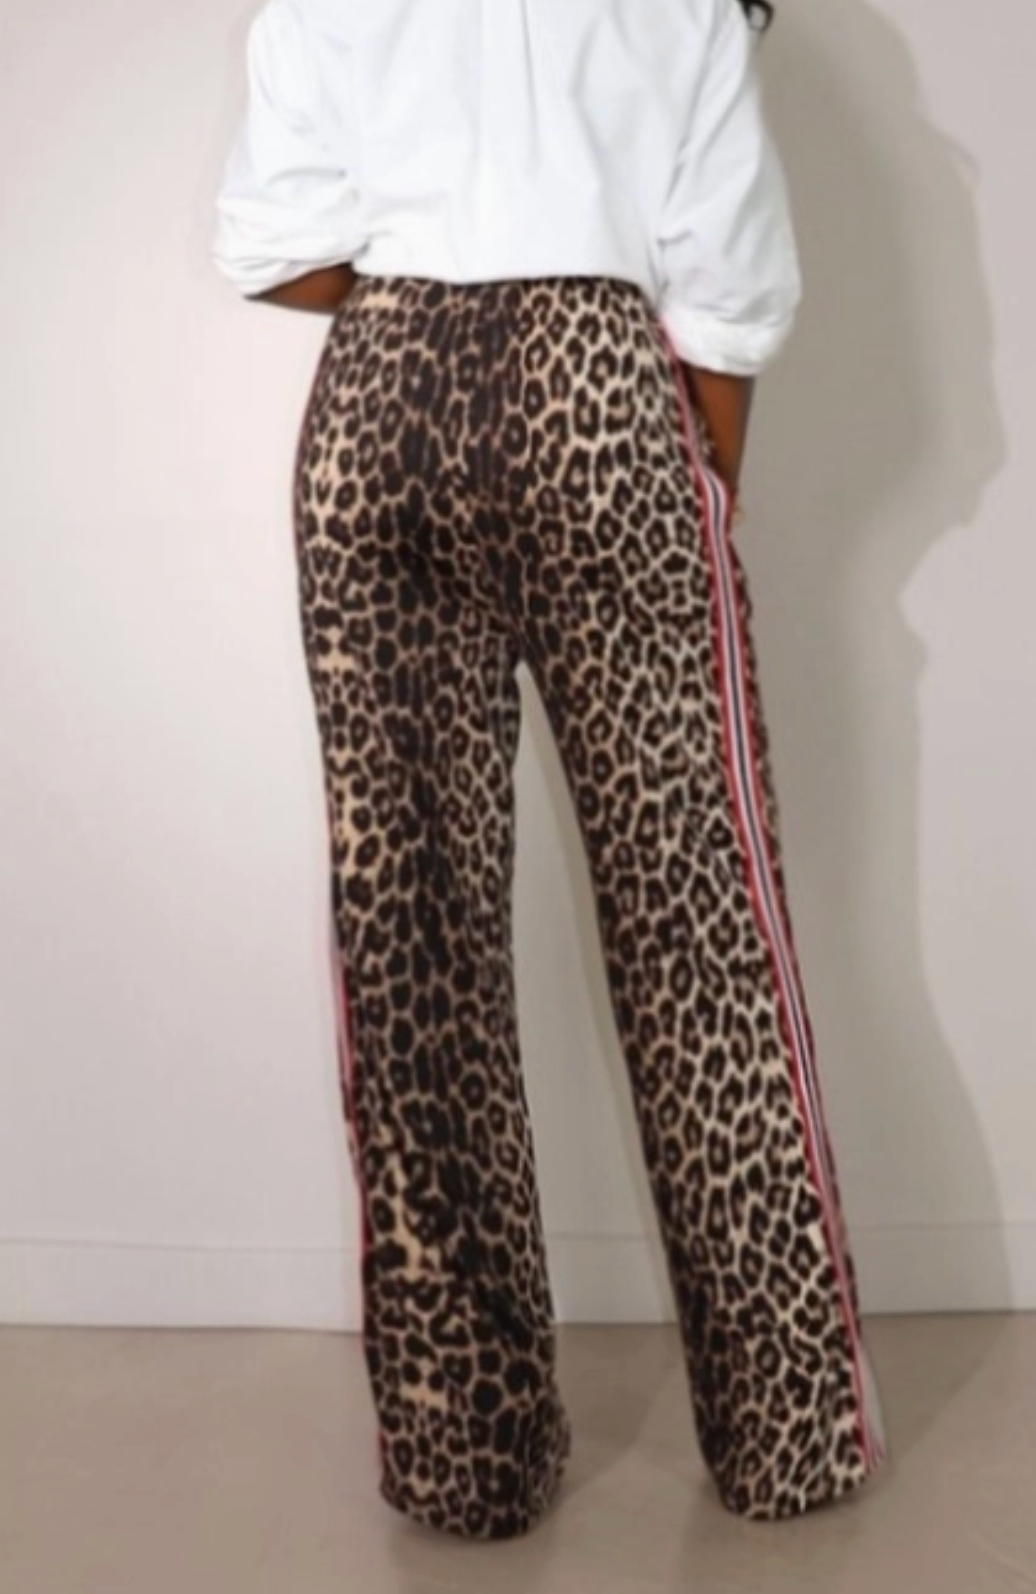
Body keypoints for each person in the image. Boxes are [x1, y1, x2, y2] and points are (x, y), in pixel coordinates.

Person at [211, 0, 889, 1543]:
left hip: (377, 416)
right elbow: (728, 301)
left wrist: (424, 291)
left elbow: (269, 246)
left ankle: (465, 1451)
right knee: (700, 923)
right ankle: (784, 1435)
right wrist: (699, 485)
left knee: (410, 940)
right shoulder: (687, 5)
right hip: (599, 397)